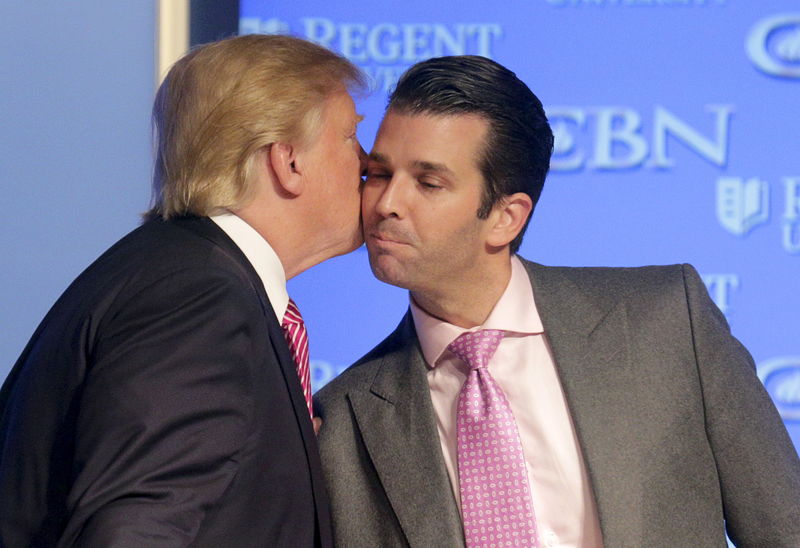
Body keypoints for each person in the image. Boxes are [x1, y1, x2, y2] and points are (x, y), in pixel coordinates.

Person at [314, 55, 800, 547]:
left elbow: (784, 527)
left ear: (507, 216)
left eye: (428, 183)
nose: (387, 203)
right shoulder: (343, 417)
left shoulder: (668, 320)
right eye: (378, 173)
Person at [0, 34, 366, 546]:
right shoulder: (199, 297)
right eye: (350, 137)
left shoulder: (174, 270)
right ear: (288, 160)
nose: (369, 163)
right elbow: (136, 529)